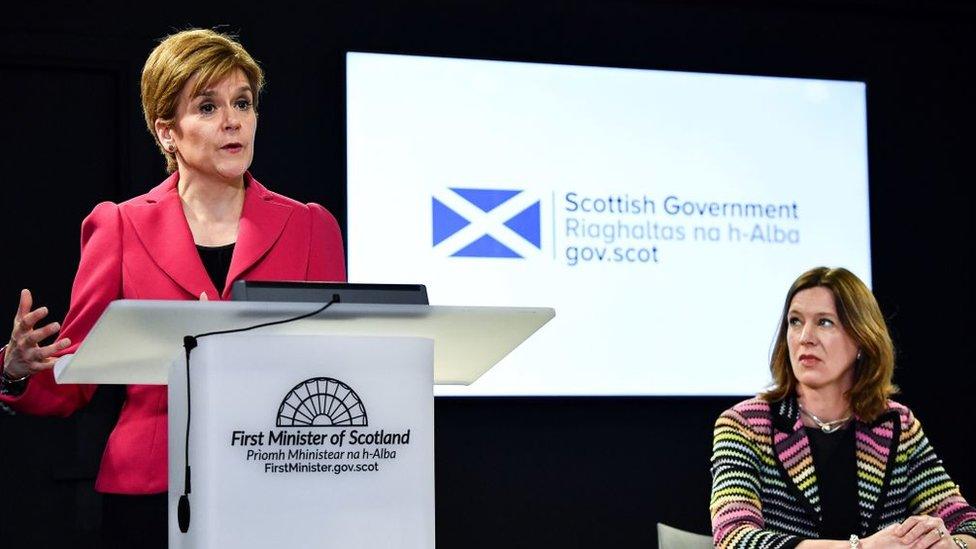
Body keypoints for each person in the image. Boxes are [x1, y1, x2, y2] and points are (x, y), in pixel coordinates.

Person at [0, 29, 345, 547]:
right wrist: (16, 369)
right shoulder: (118, 227)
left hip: (279, 478)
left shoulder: (311, 226)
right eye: (207, 107)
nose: (232, 121)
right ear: (167, 132)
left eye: (243, 103)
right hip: (152, 491)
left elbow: (342, 364)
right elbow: (77, 376)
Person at [710, 267, 976, 549]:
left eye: (825, 322)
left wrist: (951, 545)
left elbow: (967, 523)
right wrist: (858, 548)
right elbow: (733, 537)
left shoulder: (896, 424)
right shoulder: (745, 424)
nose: (805, 337)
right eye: (795, 321)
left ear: (862, 338)